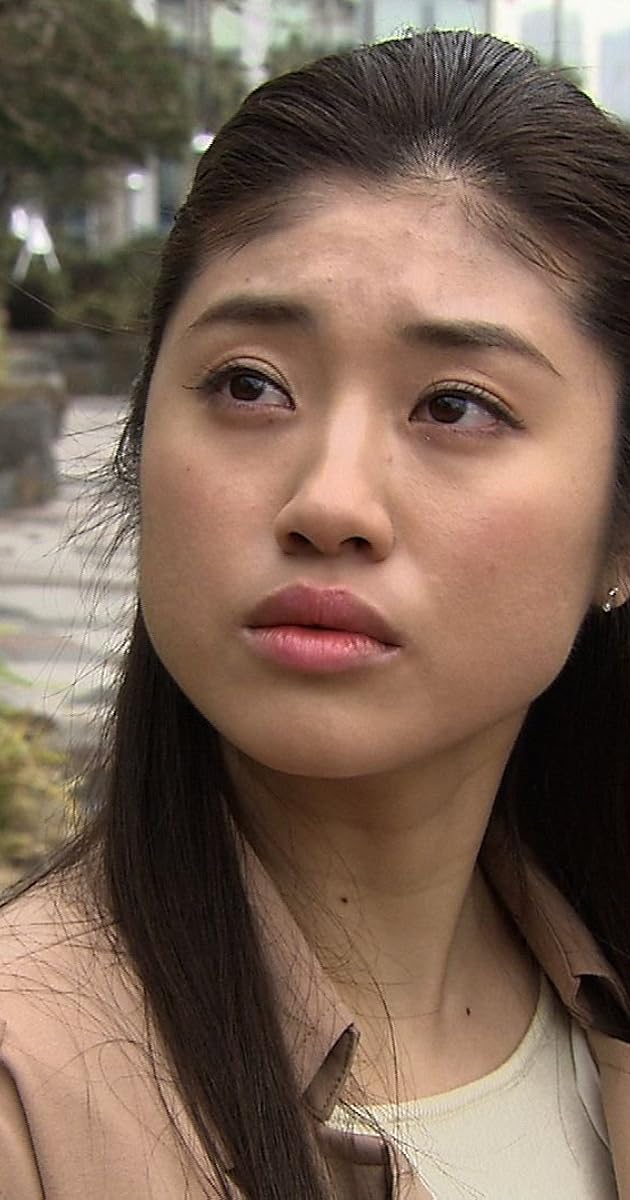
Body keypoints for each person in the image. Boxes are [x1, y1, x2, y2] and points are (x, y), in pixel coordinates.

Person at [1, 27, 630, 1200]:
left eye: (456, 406)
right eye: (250, 385)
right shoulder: (31, 1103)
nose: (330, 502)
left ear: (618, 530)